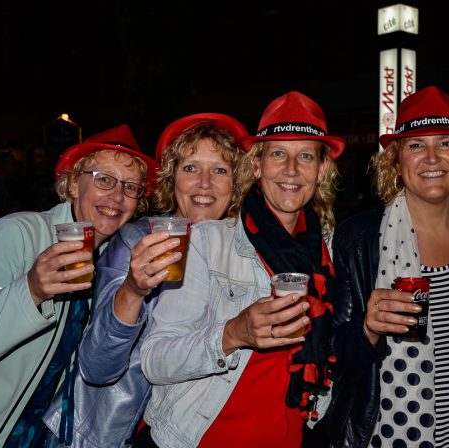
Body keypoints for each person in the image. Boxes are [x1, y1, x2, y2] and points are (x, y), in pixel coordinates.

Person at [139, 91, 344, 447]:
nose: (291, 169)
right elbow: (155, 361)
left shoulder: (329, 250)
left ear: (321, 169)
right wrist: (233, 333)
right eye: (277, 154)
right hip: (200, 438)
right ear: (257, 164)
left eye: (305, 156)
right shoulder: (206, 242)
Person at [41, 113, 249, 447]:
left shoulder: (242, 256)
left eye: (220, 171)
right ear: (172, 179)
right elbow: (96, 368)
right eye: (190, 168)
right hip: (98, 436)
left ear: (236, 183)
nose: (204, 183)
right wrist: (133, 290)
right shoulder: (136, 240)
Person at [324, 86, 449, 448]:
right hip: (393, 435)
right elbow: (330, 356)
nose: (432, 157)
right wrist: (367, 328)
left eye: (446, 143)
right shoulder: (358, 239)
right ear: (396, 161)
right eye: (416, 145)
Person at [0, 124, 157, 447]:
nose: (117, 196)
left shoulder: (112, 263)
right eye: (104, 180)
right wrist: (31, 290)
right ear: (74, 184)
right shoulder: (16, 235)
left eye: (131, 187)